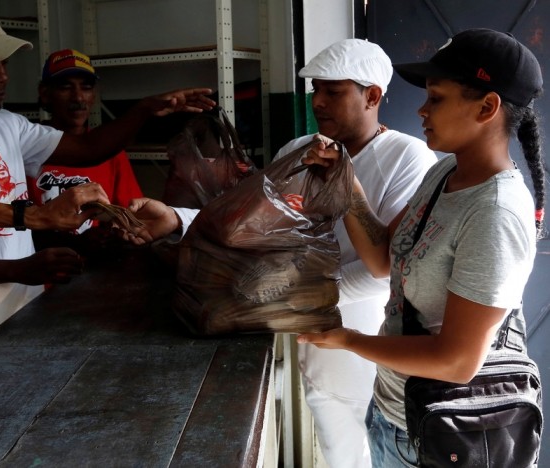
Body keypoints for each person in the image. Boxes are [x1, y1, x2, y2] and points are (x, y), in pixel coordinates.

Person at [119, 39, 437, 467]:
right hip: (300, 328)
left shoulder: (406, 157)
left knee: (369, 446)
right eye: (315, 91)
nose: (319, 102)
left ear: (372, 96)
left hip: (364, 336)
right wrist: (177, 219)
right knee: (333, 438)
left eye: (333, 91)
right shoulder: (299, 150)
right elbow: (243, 224)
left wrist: (301, 298)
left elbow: (388, 269)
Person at [0, 4, 214, 383]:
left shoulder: (6, 126)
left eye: (4, 64)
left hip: (25, 323)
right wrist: (19, 268)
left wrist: (144, 110)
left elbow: (89, 149)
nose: (2, 76)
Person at [296, 28, 545, 467]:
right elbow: (381, 258)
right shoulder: (444, 173)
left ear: (487, 108)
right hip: (394, 414)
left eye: (437, 99)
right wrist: (347, 183)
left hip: (445, 433)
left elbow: (456, 361)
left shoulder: (496, 212)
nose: (421, 110)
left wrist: (349, 339)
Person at [27, 48, 143, 252]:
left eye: (86, 87)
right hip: (40, 272)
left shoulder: (109, 150)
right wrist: (73, 243)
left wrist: (112, 234)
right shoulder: (26, 146)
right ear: (45, 94)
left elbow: (130, 214)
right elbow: (13, 224)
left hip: (95, 272)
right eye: (65, 87)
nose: (78, 97)